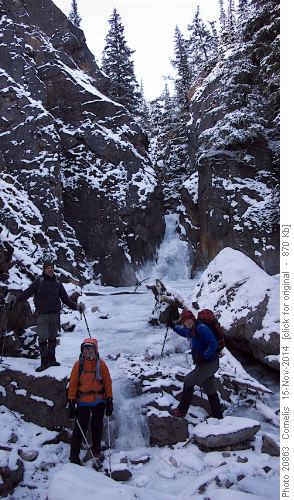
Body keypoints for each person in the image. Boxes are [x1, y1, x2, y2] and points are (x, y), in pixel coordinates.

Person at [10, 261, 85, 372]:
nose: (50, 269)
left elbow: (65, 299)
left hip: (55, 315)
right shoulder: (39, 281)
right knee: (43, 338)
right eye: (48, 268)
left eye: (52, 268)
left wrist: (77, 307)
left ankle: (52, 359)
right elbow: (27, 293)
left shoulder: (57, 283)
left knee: (52, 338)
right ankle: (44, 362)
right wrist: (16, 300)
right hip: (42, 315)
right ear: (44, 269)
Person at [166, 309, 223, 419]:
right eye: (185, 321)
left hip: (209, 363)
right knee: (209, 387)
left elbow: (213, 344)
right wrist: (173, 326)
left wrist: (204, 356)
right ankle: (218, 415)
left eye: (189, 320)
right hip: (207, 363)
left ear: (193, 319)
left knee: (188, 380)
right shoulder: (192, 329)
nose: (187, 322)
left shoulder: (201, 328)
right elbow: (184, 332)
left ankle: (181, 411)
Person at [67, 338, 113, 466]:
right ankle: (74, 456)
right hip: (83, 401)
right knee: (80, 428)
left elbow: (107, 383)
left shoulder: (101, 365)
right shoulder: (79, 365)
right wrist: (71, 402)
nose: (87, 351)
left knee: (97, 427)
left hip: (99, 401)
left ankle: (96, 452)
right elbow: (73, 384)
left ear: (95, 349)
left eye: (90, 348)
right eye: (85, 348)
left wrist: (109, 399)